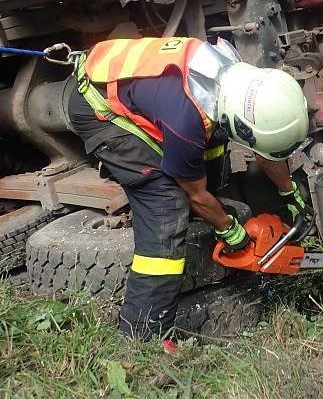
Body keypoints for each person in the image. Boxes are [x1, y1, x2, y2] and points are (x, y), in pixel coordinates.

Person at [68, 35, 309, 343]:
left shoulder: (238, 81)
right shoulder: (186, 121)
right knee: (166, 202)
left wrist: (289, 192)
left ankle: (206, 210)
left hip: (131, 84)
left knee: (214, 141)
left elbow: (262, 147)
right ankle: (144, 334)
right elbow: (193, 194)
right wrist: (228, 228)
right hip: (96, 106)